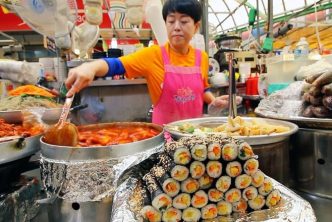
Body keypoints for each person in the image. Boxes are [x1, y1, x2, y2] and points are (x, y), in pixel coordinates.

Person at [65, 0, 241, 125]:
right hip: (164, 136)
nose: (177, 26)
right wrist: (91, 66)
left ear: (196, 26)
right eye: (171, 21)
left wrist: (212, 101)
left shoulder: (201, 57)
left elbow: (202, 88)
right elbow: (116, 64)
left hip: (194, 135)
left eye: (184, 21)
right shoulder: (154, 55)